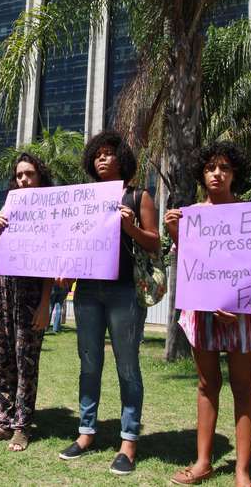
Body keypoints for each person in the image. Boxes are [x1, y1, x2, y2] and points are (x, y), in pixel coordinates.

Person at [57, 130, 160, 476]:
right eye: (97, 154)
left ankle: (128, 441)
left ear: (122, 158)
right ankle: (86, 434)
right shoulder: (84, 198)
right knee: (88, 363)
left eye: (108, 153)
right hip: (86, 291)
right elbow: (74, 242)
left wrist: (131, 229)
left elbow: (154, 244)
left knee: (127, 366)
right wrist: (67, 273)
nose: (101, 158)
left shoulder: (137, 195)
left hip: (124, 292)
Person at [165, 142, 251, 487]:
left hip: (243, 314)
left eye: (224, 167)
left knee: (243, 387)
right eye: (210, 168)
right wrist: (175, 232)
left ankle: (242, 470)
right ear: (202, 174)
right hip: (202, 313)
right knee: (207, 385)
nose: (217, 174)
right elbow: (190, 264)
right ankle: (203, 462)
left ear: (234, 173)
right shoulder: (191, 215)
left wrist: (239, 302)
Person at [0, 152, 53, 451]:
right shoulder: (8, 209)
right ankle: (1, 424)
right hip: (2, 292)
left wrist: (45, 304)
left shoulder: (50, 213)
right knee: (1, 360)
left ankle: (21, 427)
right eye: (19, 175)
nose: (23, 179)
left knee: (26, 362)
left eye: (29, 174)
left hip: (32, 294)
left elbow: (51, 262)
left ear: (39, 177)